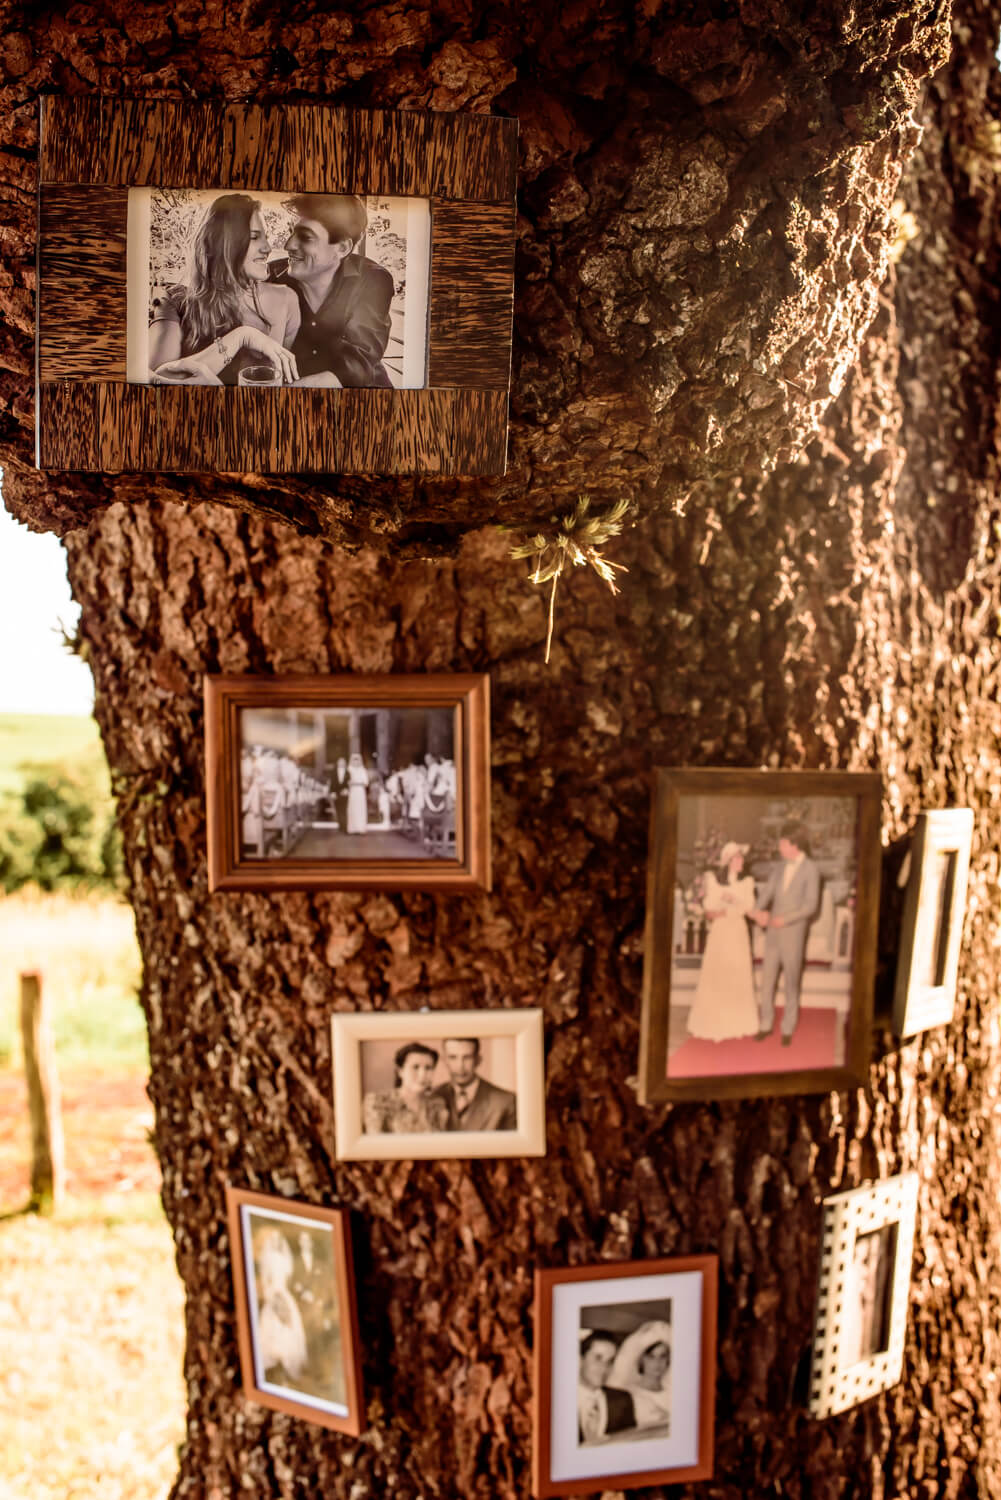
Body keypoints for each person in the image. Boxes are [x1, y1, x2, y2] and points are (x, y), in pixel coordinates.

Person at [149, 192, 300, 385]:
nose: (267, 248)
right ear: (220, 243)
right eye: (254, 237)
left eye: (266, 237)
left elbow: (285, 382)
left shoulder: (286, 300)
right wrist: (242, 336)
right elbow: (158, 379)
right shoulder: (175, 301)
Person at [276, 193, 394, 387]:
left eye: (306, 237)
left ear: (342, 248)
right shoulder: (271, 277)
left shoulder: (372, 280)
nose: (288, 245)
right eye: (291, 231)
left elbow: (360, 359)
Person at [750, 819, 822, 1045]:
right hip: (773, 934)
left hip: (793, 936)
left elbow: (811, 906)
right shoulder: (779, 867)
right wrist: (757, 910)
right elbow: (767, 892)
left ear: (794, 844)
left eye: (782, 843)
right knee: (767, 981)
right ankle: (765, 1024)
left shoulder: (811, 870)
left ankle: (788, 1028)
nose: (779, 847)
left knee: (792, 982)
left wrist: (786, 920)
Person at [685, 841, 758, 1041]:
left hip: (738, 931)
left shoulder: (747, 882)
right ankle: (715, 1021)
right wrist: (720, 909)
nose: (741, 861)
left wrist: (733, 903)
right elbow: (709, 908)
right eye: (737, 858)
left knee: (737, 972)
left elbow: (749, 907)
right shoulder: (714, 881)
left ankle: (737, 1022)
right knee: (718, 973)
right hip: (720, 932)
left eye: (741, 858)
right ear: (727, 861)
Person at [362, 1042, 450, 1134]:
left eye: (428, 1068)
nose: (422, 1075)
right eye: (415, 1067)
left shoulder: (437, 1105)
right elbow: (374, 1140)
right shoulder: (378, 1102)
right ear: (400, 1071)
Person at [432, 1038, 517, 1132]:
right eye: (453, 1057)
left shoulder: (505, 1102)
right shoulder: (432, 1097)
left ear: (478, 1060)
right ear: (444, 1060)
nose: (460, 1066)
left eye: (467, 1057)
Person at [609, 1321, 672, 1431]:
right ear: (641, 1360)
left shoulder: (672, 1390)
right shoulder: (629, 1394)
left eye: (662, 1356)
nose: (657, 1363)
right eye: (651, 1357)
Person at [577, 1331, 636, 1444]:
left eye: (610, 1361)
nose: (604, 1367)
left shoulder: (623, 1400)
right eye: (598, 1358)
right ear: (580, 1359)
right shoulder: (559, 1400)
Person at [346, 752, 369, 835]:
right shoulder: (349, 769)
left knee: (360, 809)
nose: (356, 762)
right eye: (354, 760)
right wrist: (353, 783)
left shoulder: (363, 770)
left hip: (360, 792)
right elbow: (347, 782)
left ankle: (361, 828)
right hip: (352, 792)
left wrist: (356, 783)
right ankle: (352, 828)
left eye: (357, 760)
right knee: (352, 808)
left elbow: (366, 782)